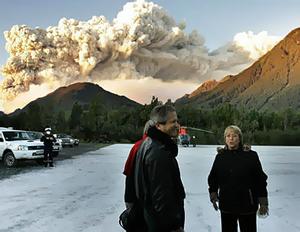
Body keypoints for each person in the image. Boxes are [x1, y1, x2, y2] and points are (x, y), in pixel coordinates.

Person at [134, 104, 185, 232]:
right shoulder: (158, 152)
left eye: (177, 121)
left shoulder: (149, 143)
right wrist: (173, 225)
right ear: (158, 125)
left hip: (154, 218)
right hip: (162, 223)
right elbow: (162, 195)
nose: (177, 125)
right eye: (172, 122)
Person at [208, 125, 269, 232]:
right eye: (228, 136)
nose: (231, 139)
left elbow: (260, 179)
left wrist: (263, 202)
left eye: (234, 136)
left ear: (239, 138)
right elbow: (213, 177)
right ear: (225, 139)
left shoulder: (251, 156)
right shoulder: (220, 157)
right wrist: (213, 194)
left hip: (247, 205)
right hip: (227, 205)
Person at [122, 120, 155, 232]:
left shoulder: (136, 146)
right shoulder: (159, 147)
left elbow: (129, 174)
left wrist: (128, 200)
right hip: (152, 202)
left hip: (137, 200)